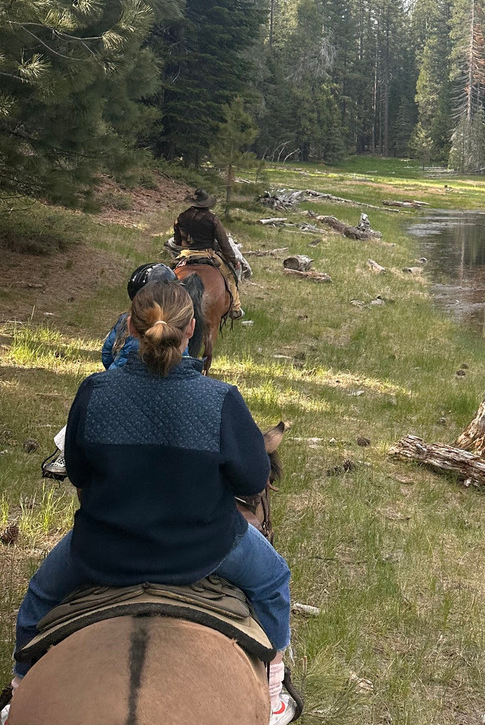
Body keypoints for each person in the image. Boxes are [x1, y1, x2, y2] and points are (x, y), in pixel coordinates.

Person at [5, 281, 296, 725]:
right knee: (274, 579)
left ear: (130, 328)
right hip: (205, 550)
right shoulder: (219, 399)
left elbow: (79, 473)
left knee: (39, 599)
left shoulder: (95, 392)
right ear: (192, 328)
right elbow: (254, 477)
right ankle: (274, 694)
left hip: (101, 550)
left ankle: (18, 690)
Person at [41, 263, 201, 480]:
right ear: (190, 328)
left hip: (119, 378)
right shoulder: (179, 337)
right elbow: (184, 358)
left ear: (132, 323)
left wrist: (113, 374)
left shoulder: (96, 384)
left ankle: (64, 457)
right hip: (170, 380)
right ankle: (234, 302)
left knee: (85, 417)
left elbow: (107, 353)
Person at [172, 188, 244, 319]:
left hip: (186, 253)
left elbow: (177, 241)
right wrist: (233, 261)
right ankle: (235, 307)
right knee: (229, 275)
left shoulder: (181, 217)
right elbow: (224, 243)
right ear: (207, 204)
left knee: (170, 275)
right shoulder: (212, 219)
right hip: (207, 253)